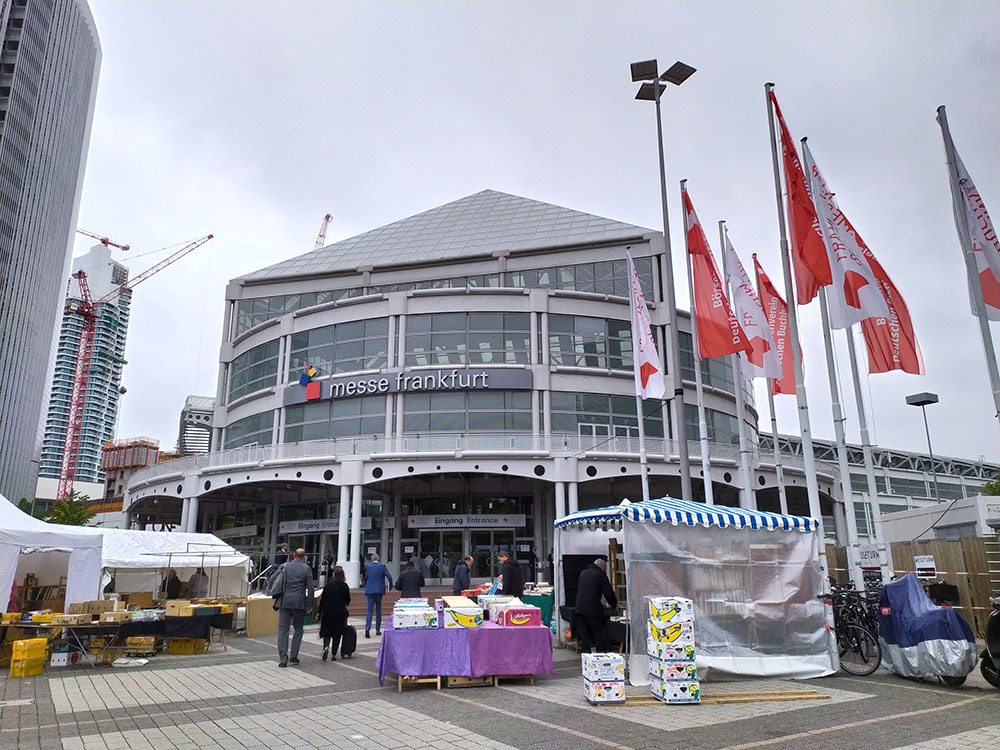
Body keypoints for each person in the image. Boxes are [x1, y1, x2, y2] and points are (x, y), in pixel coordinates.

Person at [275, 548, 315, 667]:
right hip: (298, 603)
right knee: (298, 628)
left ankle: (283, 658)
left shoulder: (285, 566)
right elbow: (311, 587)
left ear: (293, 556)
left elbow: (276, 580)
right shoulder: (306, 569)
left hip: (284, 601)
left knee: (283, 630)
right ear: (304, 557)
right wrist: (309, 603)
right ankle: (294, 655)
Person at [574, 555, 617, 653]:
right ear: (602, 567)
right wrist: (613, 605)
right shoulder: (600, 575)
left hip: (579, 608)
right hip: (593, 610)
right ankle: (600, 655)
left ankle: (586, 657)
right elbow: (608, 593)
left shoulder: (583, 573)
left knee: (584, 635)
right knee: (598, 634)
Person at [318, 565, 350, 661]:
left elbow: (322, 600)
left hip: (328, 612)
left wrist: (319, 612)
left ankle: (326, 647)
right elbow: (348, 600)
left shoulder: (328, 586)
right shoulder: (344, 586)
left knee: (327, 633)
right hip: (340, 613)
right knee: (337, 634)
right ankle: (334, 654)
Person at [361, 553, 392, 638]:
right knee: (378, 610)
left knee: (369, 610)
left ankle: (367, 628)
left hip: (369, 590)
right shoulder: (382, 566)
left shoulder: (368, 567)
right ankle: (377, 629)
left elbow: (366, 577)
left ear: (371, 559)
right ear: (378, 559)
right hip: (379, 590)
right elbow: (389, 576)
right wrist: (390, 586)